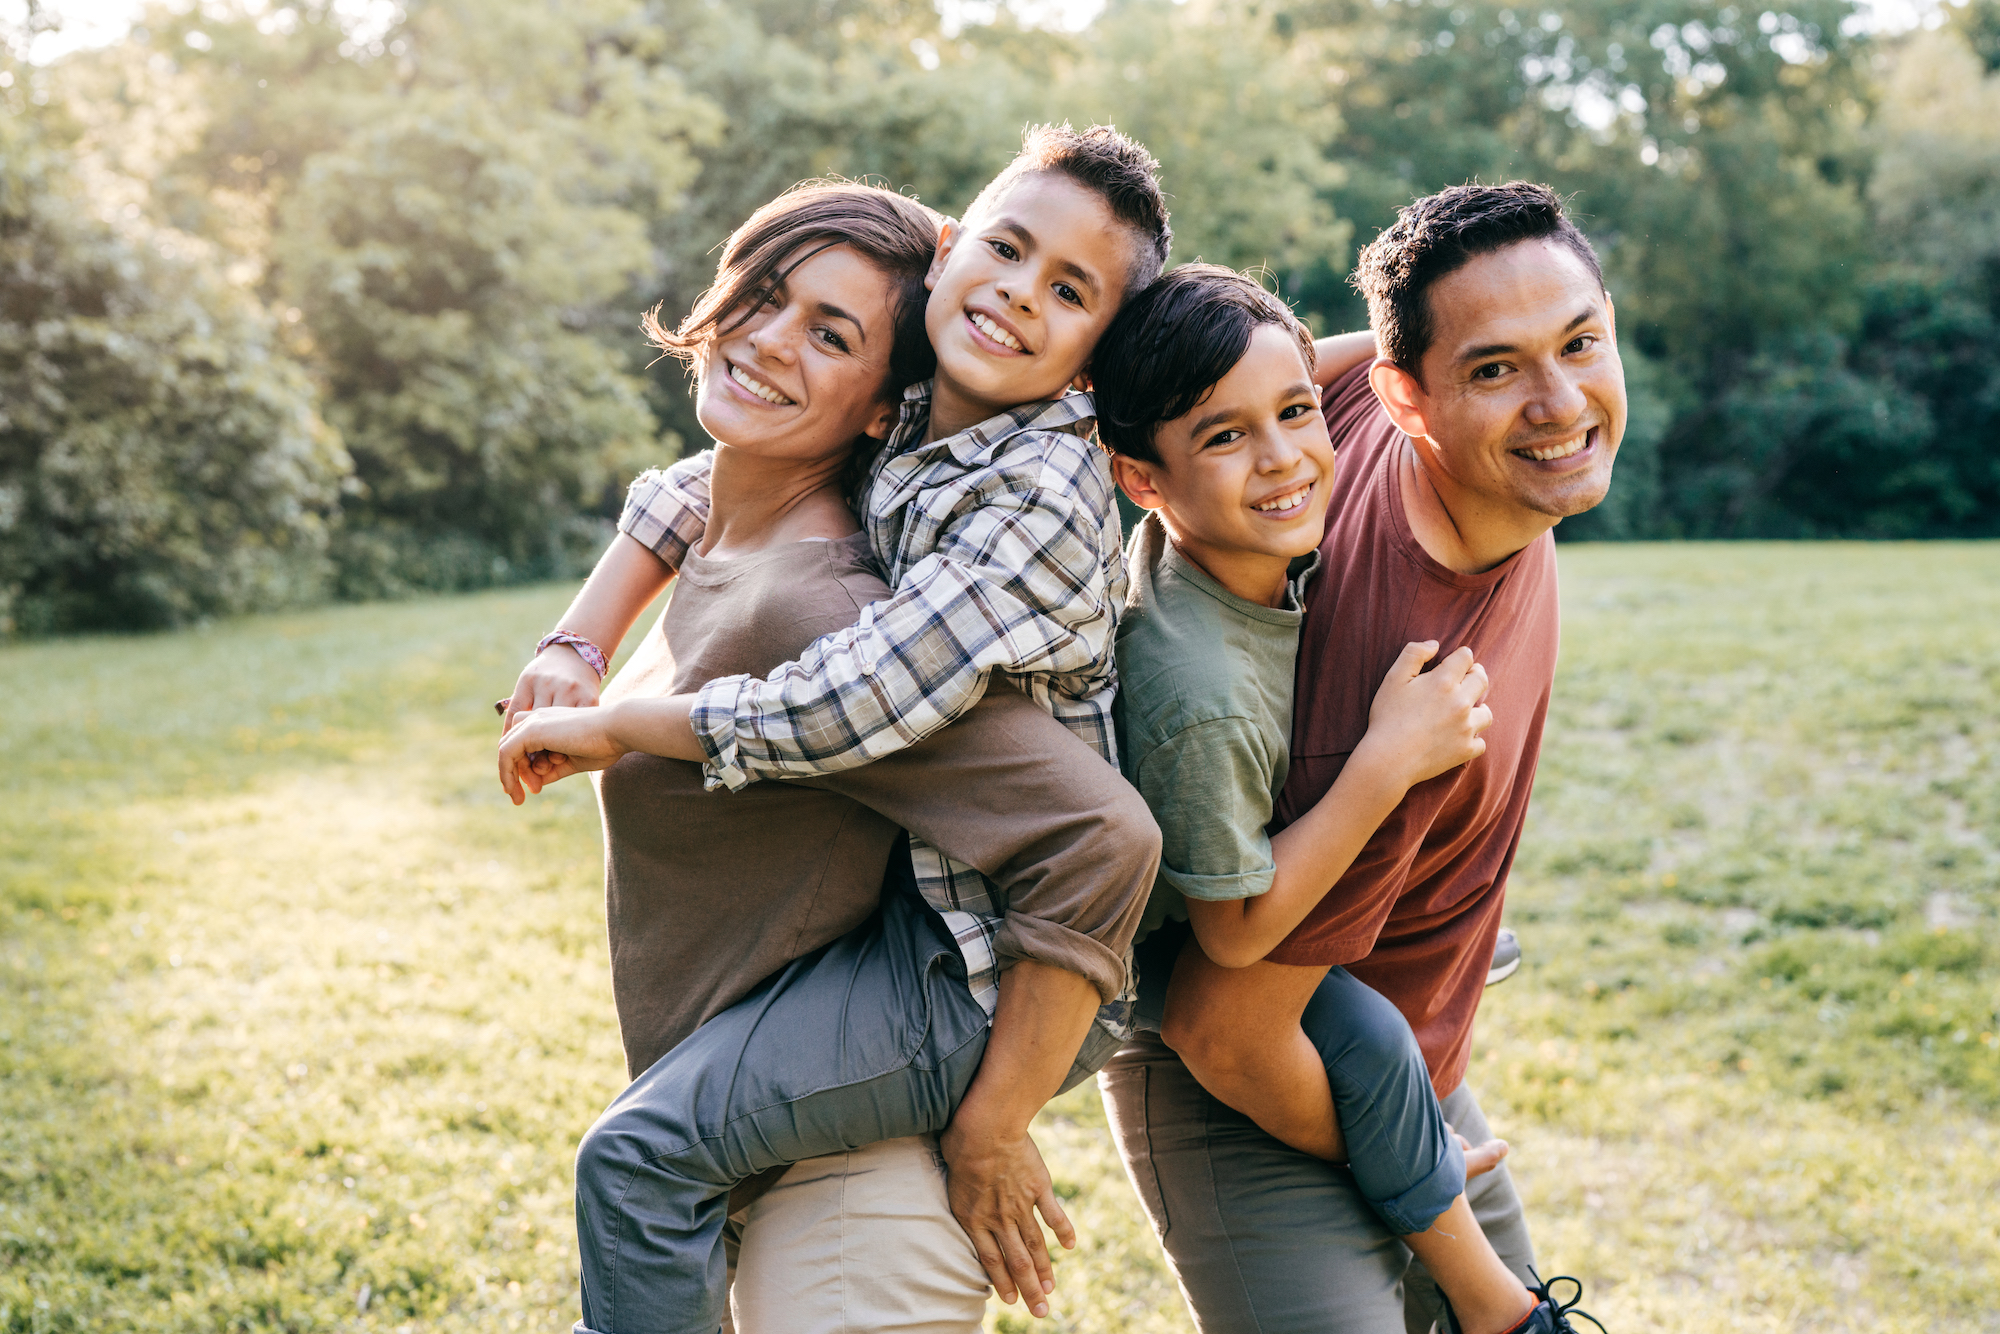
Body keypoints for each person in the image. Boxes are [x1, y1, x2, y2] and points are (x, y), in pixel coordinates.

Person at [499, 124, 1175, 1333]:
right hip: (842, 1004)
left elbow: (1085, 829)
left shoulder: (892, 571)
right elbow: (703, 483)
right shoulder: (909, 432)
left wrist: (996, 1115)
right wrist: (578, 635)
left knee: (635, 1161)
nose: (767, 340)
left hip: (965, 979)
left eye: (830, 333)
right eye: (765, 298)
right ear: (962, 245)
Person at [1096, 183, 1623, 1334]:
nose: (1557, 402)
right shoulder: (1397, 697)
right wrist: (1418, 1167)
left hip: (1391, 1045)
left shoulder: (1327, 410)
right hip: (1260, 1086)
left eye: (1579, 342)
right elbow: (1221, 1024)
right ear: (1408, 396)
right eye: (1492, 370)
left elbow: (1257, 370)